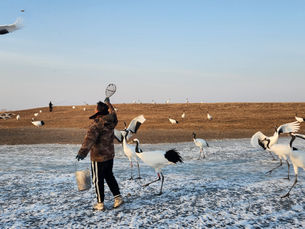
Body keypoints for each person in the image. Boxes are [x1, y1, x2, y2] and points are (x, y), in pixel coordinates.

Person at [76, 98, 123, 211]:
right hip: (109, 155)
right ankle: (118, 198)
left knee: (98, 180)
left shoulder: (97, 124)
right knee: (109, 176)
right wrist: (109, 103)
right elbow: (114, 114)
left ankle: (100, 203)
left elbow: (89, 140)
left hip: (98, 157)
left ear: (98, 111)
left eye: (95, 108)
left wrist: (82, 153)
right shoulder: (111, 121)